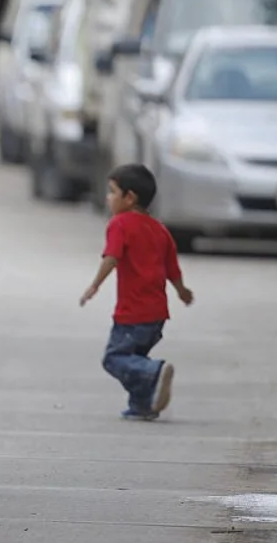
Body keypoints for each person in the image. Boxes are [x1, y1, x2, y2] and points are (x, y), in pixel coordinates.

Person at [80, 163, 194, 420]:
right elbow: (172, 269)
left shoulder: (120, 224)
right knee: (136, 357)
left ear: (129, 197)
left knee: (115, 358)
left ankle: (154, 371)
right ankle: (142, 405)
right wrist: (182, 292)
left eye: (112, 192)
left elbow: (112, 257)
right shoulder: (160, 230)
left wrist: (94, 285)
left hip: (132, 314)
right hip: (157, 317)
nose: (108, 198)